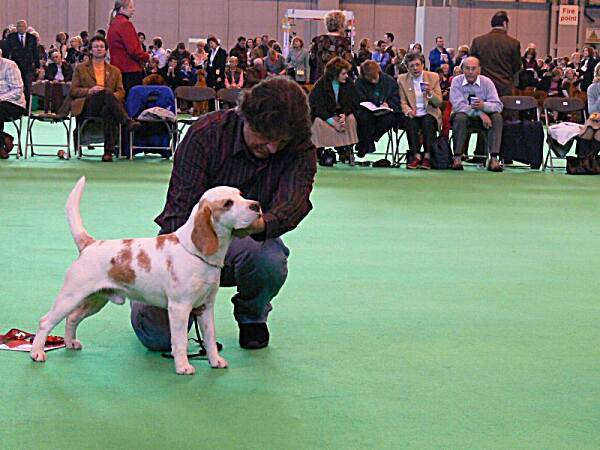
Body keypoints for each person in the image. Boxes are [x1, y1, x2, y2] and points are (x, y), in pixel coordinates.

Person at [130, 76, 316, 351]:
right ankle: (155, 298)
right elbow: (177, 213)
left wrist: (256, 225)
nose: (274, 148)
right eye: (265, 138)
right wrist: (190, 276)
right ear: (246, 118)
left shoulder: (299, 148)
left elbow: (292, 206)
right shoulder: (206, 133)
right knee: (157, 338)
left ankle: (252, 316)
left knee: (269, 259)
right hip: (188, 240)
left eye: (282, 141)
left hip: (247, 240)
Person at [69, 35, 140, 162]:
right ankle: (126, 121)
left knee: (108, 108)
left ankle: (108, 152)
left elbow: (121, 91)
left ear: (106, 50)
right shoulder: (80, 68)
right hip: (88, 104)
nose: (99, 49)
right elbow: (73, 90)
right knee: (106, 93)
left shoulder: (115, 70)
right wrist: (89, 90)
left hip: (109, 106)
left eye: (101, 47)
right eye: (96, 47)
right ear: (90, 50)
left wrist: (112, 96)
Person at [449, 56, 504, 172]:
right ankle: (457, 157)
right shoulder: (456, 81)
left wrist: (483, 106)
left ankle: (494, 158)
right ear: (462, 69)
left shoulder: (487, 82)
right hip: (464, 117)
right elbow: (458, 106)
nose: (470, 72)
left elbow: (498, 106)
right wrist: (479, 113)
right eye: (467, 68)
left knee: (497, 117)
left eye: (473, 69)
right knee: (460, 117)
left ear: (479, 70)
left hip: (484, 120)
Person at [309, 56, 359, 162]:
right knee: (317, 122)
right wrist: (332, 122)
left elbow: (354, 102)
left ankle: (346, 150)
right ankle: (319, 151)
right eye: (343, 74)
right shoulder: (320, 84)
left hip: (342, 115)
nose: (346, 76)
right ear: (335, 74)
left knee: (351, 119)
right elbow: (316, 107)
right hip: (325, 116)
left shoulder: (349, 83)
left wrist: (345, 114)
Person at [397, 52, 443, 170]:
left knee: (428, 122)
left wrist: (429, 93)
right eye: (411, 66)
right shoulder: (402, 80)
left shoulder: (433, 77)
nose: (415, 68)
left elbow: (438, 103)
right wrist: (407, 111)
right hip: (413, 113)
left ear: (423, 65)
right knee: (410, 122)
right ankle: (416, 155)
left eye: (417, 64)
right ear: (407, 68)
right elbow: (403, 102)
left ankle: (427, 156)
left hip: (429, 112)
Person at [354, 60, 401, 157]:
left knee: (389, 119)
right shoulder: (359, 82)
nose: (373, 80)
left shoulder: (389, 81)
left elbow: (397, 98)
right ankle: (367, 143)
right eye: (369, 78)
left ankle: (368, 141)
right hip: (366, 111)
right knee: (363, 118)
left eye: (374, 77)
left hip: (386, 112)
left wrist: (388, 104)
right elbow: (358, 99)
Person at [470, 10, 521, 97]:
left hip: (483, 87)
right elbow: (517, 67)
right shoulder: (513, 43)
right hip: (504, 88)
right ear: (505, 23)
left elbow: (472, 64)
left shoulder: (478, 41)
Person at [107, 0, 150, 94]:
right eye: (130, 7)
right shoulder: (125, 24)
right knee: (133, 101)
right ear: (122, 9)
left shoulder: (113, 24)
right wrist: (147, 57)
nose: (133, 10)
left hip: (117, 68)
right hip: (130, 71)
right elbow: (134, 50)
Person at [4, 20, 40, 109]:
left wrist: (37, 66)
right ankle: (17, 107)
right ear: (16, 28)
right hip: (15, 66)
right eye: (19, 26)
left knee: (28, 88)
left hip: (28, 67)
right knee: (16, 88)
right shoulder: (11, 37)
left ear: (26, 27)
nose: (21, 28)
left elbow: (35, 53)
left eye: (23, 26)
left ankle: (27, 108)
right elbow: (7, 52)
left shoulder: (32, 38)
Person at [310, 10, 353, 82]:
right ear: (341, 24)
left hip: (320, 80)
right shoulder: (344, 42)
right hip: (338, 79)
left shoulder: (317, 40)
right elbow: (348, 63)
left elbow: (312, 62)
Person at [0, 48, 26, 159]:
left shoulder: (10, 66)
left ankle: (1, 146)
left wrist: (1, 98)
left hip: (15, 104)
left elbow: (17, 91)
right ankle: (4, 138)